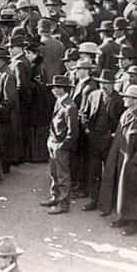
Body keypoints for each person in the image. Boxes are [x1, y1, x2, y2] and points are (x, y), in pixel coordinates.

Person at [108, 84, 137, 236]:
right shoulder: (126, 114)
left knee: (136, 190)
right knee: (123, 189)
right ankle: (124, 216)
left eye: (127, 97)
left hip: (135, 163)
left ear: (135, 100)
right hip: (123, 158)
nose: (124, 100)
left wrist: (135, 162)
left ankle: (135, 221)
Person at [42, 74, 79, 214]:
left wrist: (63, 145)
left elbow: (73, 132)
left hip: (60, 145)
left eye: (56, 88)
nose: (53, 90)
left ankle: (63, 203)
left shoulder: (70, 107)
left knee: (63, 175)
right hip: (53, 141)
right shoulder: (59, 102)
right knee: (54, 172)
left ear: (63, 89)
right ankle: (55, 197)